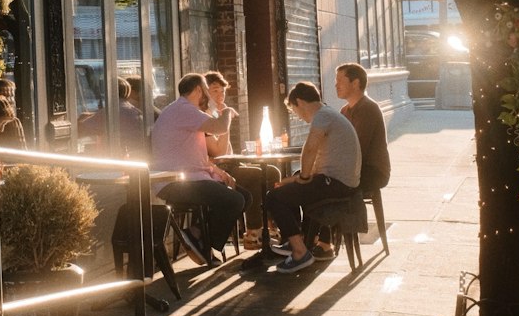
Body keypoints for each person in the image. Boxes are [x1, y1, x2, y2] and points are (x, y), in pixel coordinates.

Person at [263, 81, 361, 273]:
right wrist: (297, 178)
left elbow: (310, 149)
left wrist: (305, 177)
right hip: (340, 181)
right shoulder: (329, 113)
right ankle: (297, 242)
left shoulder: (322, 116)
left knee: (273, 197)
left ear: (299, 102)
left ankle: (300, 251)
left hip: (337, 184)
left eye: (294, 110)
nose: (297, 116)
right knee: (286, 187)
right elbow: (320, 159)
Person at [150, 73, 247, 264]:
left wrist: (217, 171)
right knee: (235, 200)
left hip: (189, 177)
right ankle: (202, 242)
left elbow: (201, 155)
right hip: (175, 181)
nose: (210, 99)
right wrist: (226, 112)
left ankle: (196, 235)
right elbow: (219, 127)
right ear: (197, 90)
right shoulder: (184, 109)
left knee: (244, 197)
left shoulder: (183, 111)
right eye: (207, 93)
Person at [204, 69, 276, 248]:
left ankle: (270, 227)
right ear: (204, 92)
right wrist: (224, 123)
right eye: (215, 91)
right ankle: (253, 232)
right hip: (213, 169)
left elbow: (227, 150)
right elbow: (218, 152)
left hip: (228, 164)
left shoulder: (218, 114)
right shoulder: (204, 117)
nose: (220, 95)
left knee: (272, 172)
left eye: (222, 91)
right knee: (254, 175)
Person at [327, 61, 391, 255]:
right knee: (311, 179)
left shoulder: (369, 109)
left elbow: (356, 149)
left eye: (340, 80)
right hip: (352, 168)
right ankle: (310, 240)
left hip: (372, 171)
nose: (336, 85)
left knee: (325, 184)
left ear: (355, 83)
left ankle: (323, 242)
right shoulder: (344, 112)